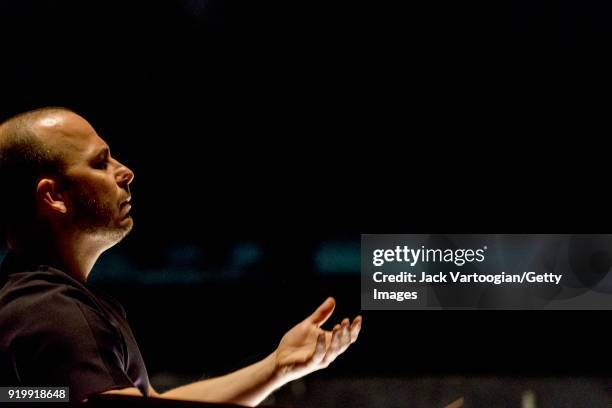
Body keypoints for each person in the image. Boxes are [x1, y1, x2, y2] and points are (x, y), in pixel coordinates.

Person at [0, 107, 362, 405]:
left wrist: (278, 366)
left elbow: (148, 398)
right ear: (54, 197)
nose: (126, 172)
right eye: (100, 163)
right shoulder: (51, 310)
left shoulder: (36, 300)